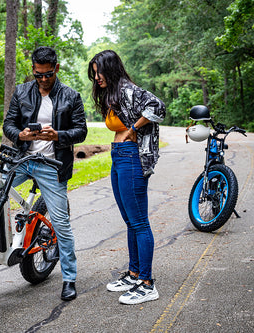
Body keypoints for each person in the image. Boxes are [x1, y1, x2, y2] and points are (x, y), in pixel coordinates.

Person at [3, 46, 87, 301]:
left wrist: (58, 136)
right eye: (38, 75)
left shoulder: (71, 96)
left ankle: (69, 279)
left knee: (61, 224)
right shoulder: (21, 91)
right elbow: (8, 124)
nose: (43, 79)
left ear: (56, 69)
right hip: (24, 159)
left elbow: (81, 131)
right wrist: (20, 135)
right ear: (33, 71)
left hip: (52, 165)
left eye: (47, 74)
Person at [88, 50, 165, 305]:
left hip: (132, 156)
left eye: (99, 71)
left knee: (140, 222)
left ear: (110, 68)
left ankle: (147, 282)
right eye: (94, 73)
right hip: (119, 155)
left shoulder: (127, 89)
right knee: (131, 221)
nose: (97, 77)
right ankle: (134, 274)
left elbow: (157, 106)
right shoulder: (114, 93)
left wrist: (133, 129)